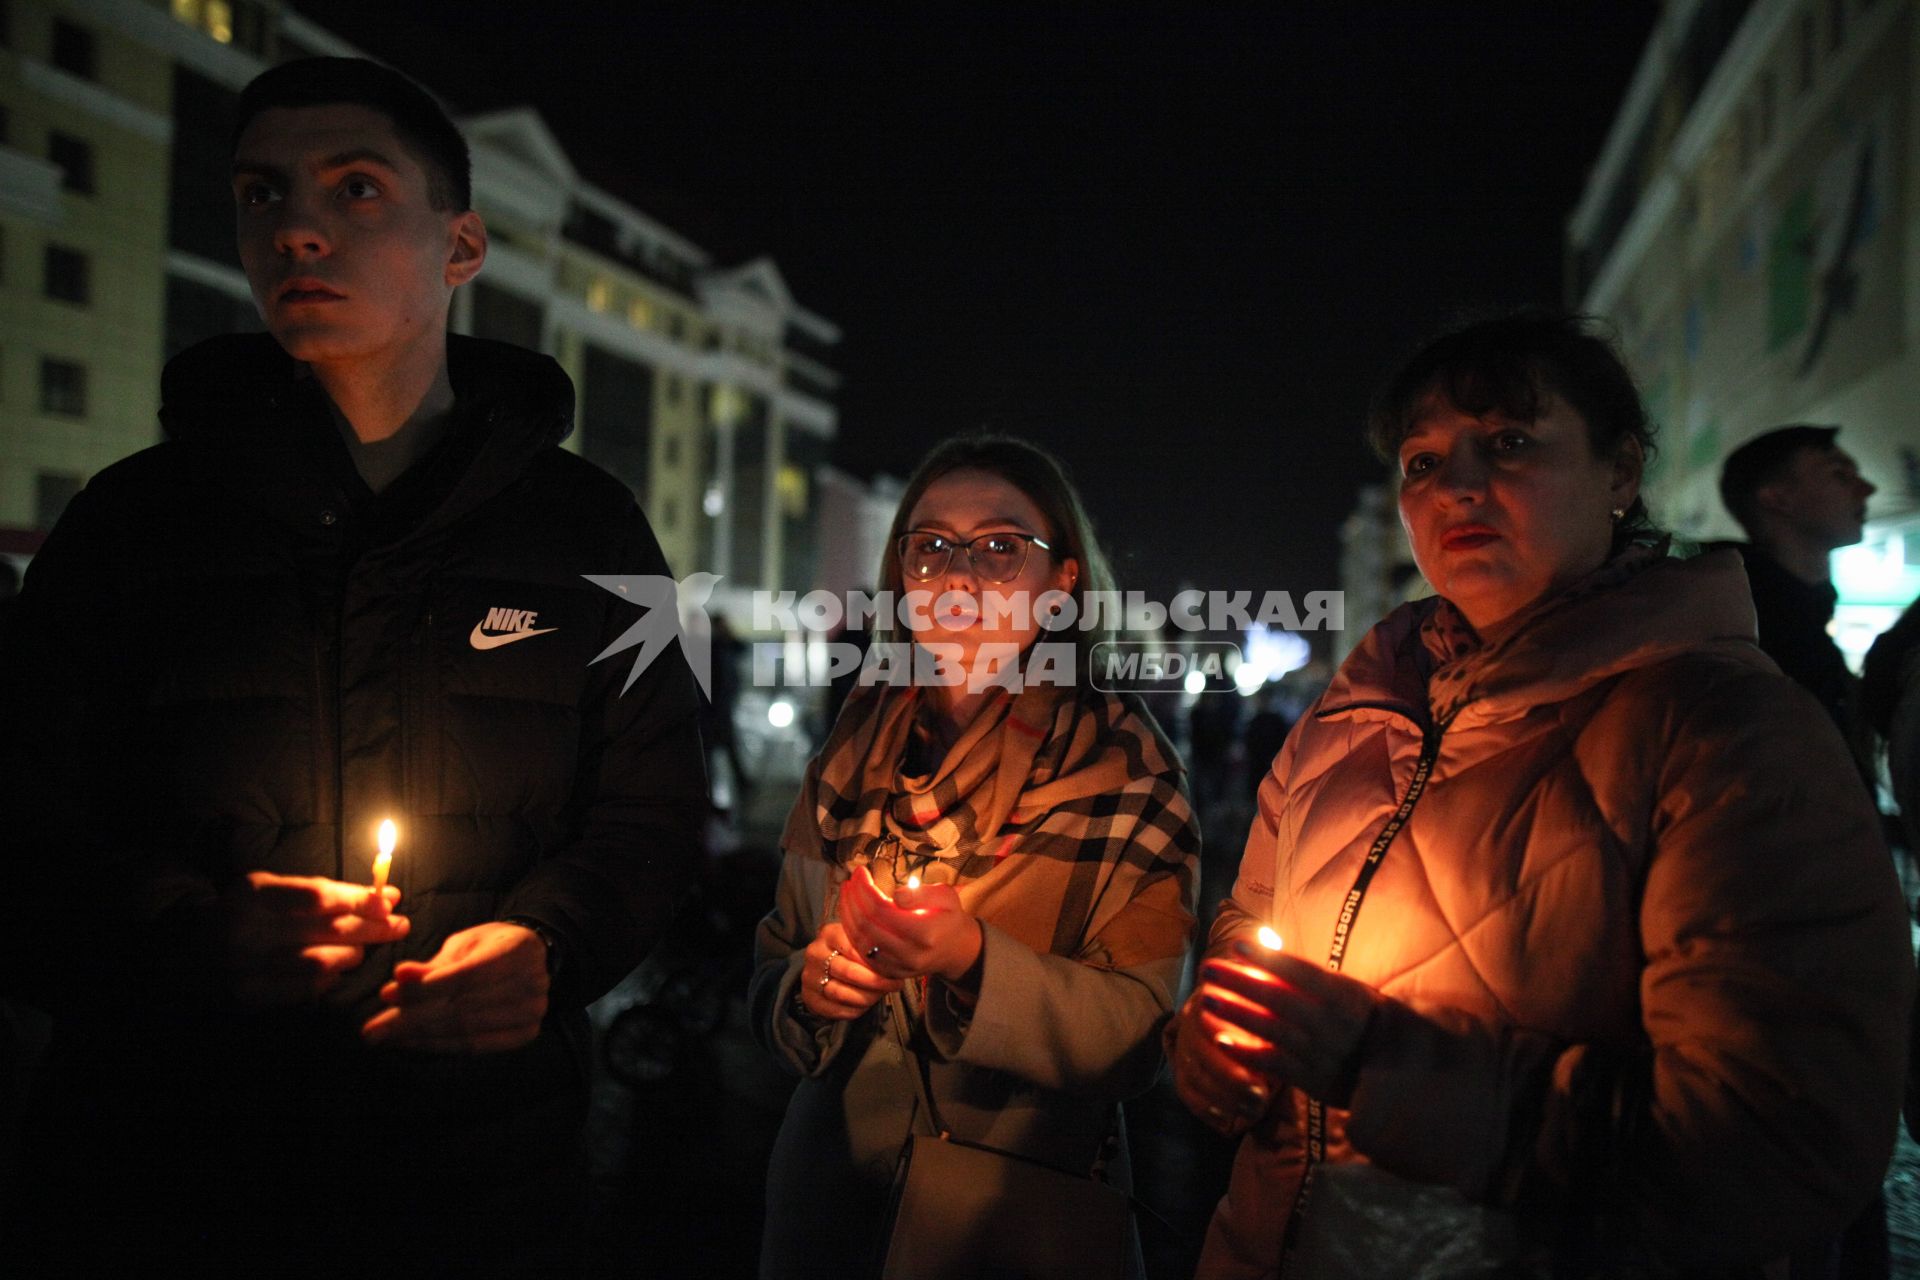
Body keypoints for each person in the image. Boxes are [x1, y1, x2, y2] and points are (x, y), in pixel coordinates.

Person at [0, 58, 706, 1273]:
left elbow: (655, 807)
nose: (299, 228)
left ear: (464, 242)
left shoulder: (591, 531)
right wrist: (186, 939)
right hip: (168, 1176)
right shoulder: (132, 524)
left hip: (478, 1181)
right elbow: (15, 817)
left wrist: (547, 946)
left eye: (359, 188)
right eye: (261, 195)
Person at [1169, 310, 1910, 1276]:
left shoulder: (1728, 731)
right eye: (1423, 462)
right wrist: (1218, 1047)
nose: (1459, 486)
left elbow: (1779, 1147)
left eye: (1510, 443)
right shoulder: (1353, 713)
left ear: (1621, 474)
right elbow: (1248, 926)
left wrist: (1383, 1067)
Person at [750, 434, 1199, 1278]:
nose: (958, 578)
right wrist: (806, 989)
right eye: (930, 548)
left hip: (1011, 1208)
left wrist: (973, 962)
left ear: (1063, 580)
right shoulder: (852, 751)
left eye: (999, 548)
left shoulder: (1124, 767)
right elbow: (773, 958)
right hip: (830, 1200)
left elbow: (1140, 1035)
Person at [1718, 424, 1878, 766]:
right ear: (1777, 499)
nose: (1868, 489)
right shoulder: (1741, 631)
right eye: (1840, 475)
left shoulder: (1798, 616)